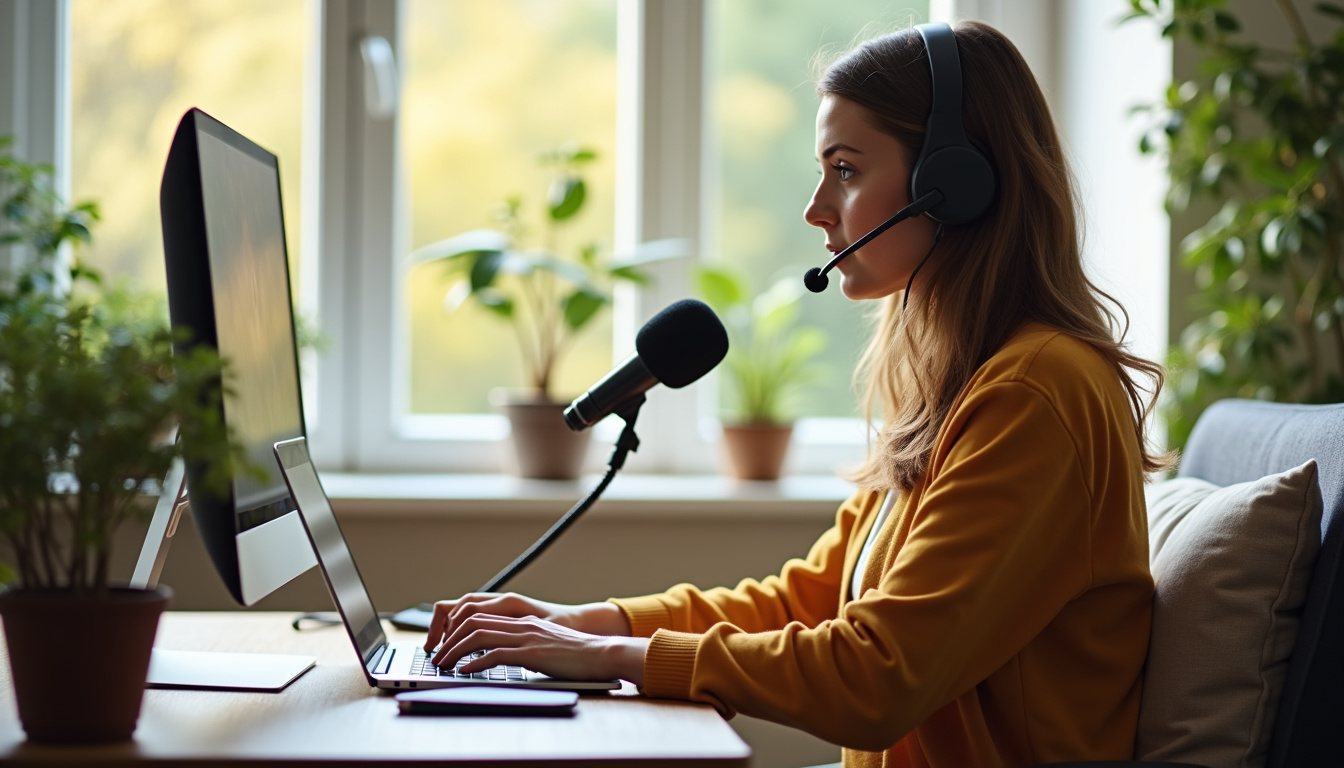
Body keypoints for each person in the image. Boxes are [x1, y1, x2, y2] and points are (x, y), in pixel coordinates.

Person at [424, 20, 1167, 768]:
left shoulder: (1036, 392)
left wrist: (612, 657)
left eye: (845, 170)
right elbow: (808, 600)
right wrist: (587, 624)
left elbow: (877, 676)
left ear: (954, 184)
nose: (816, 208)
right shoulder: (962, 379)